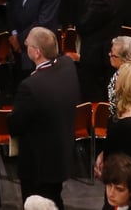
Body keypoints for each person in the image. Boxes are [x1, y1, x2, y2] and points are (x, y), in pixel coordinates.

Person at [11, 27, 80, 204]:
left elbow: (16, 125)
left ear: (37, 52)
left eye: (28, 44)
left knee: (37, 203)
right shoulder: (68, 65)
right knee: (55, 199)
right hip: (61, 154)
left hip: (38, 163)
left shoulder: (31, 86)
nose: (25, 46)